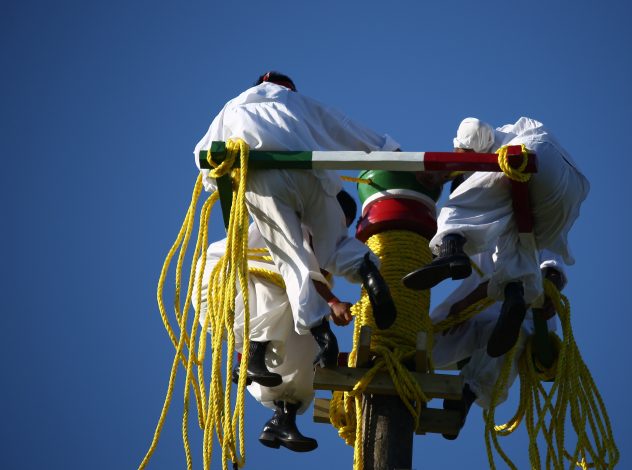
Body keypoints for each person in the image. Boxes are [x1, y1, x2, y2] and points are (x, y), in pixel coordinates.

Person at [193, 71, 400, 366]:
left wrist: (225, 182)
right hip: (309, 171)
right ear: (287, 88)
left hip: (263, 179)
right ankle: (369, 274)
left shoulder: (233, 107)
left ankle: (323, 338)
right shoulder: (297, 103)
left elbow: (205, 158)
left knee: (292, 263)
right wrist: (388, 150)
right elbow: (340, 126)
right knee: (336, 244)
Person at [404, 117, 589, 358]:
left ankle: (450, 250)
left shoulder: (506, 134)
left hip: (536, 157)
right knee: (520, 242)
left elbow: (474, 129)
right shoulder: (505, 223)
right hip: (566, 198)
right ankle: (515, 294)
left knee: (456, 207)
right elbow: (553, 265)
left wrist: (446, 169)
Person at [193, 191, 358, 452]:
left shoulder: (321, 267)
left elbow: (308, 287)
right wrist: (332, 303)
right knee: (282, 291)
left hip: (253, 303)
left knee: (305, 346)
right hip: (225, 283)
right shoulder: (292, 223)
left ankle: (283, 418)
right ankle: (252, 357)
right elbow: (298, 270)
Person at [431, 249, 567, 439]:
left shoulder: (542, 231)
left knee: (509, 340)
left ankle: (464, 396)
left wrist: (551, 292)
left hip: (519, 311)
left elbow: (553, 270)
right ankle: (403, 362)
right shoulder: (484, 223)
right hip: (473, 309)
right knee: (426, 340)